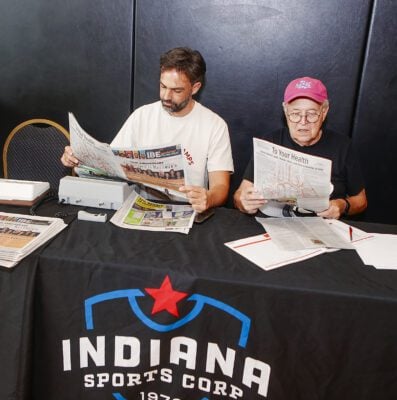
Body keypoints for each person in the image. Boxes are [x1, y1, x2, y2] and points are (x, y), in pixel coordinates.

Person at [61, 47, 234, 213]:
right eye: (163, 86)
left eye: (176, 90)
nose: (166, 96)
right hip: (140, 206)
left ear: (195, 88)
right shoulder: (142, 116)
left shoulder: (214, 125)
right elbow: (110, 166)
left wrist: (208, 198)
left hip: (188, 209)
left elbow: (220, 186)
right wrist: (79, 159)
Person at [234, 77, 367, 219]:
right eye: (296, 114)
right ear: (285, 111)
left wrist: (342, 206)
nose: (303, 122)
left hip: (322, 229)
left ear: (324, 112)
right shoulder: (270, 142)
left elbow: (361, 201)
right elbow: (240, 194)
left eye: (311, 114)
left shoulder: (342, 146)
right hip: (272, 226)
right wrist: (244, 202)